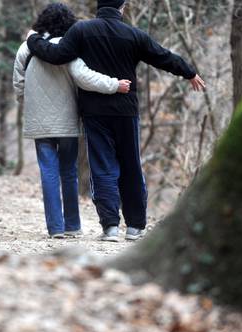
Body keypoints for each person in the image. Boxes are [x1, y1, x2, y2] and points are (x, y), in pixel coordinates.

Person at [26, 0, 206, 242]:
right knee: (131, 165)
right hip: (126, 111)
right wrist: (189, 72)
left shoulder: (81, 30)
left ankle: (110, 227)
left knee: (102, 167)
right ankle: (135, 227)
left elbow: (57, 55)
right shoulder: (134, 34)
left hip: (94, 112)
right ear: (122, 7)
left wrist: (33, 40)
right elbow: (163, 56)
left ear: (98, 7)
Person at [13, 3, 132, 239]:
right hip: (67, 119)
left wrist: (27, 103)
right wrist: (114, 85)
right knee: (68, 172)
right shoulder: (72, 46)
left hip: (39, 120)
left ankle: (55, 228)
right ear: (69, 22)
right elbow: (84, 77)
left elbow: (18, 83)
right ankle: (73, 226)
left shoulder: (26, 48)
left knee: (48, 171)